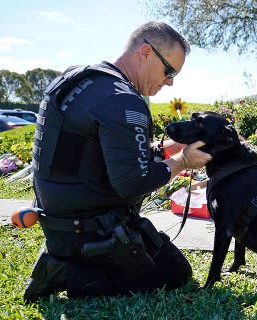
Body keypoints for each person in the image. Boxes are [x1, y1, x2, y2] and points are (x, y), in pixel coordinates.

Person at [24, 21, 211, 302]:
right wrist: (183, 161)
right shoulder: (124, 100)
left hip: (60, 221)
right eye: (169, 70)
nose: (170, 81)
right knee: (176, 272)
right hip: (91, 228)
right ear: (146, 52)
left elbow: (97, 155)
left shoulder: (82, 80)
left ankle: (67, 259)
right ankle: (66, 272)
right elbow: (133, 183)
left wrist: (168, 149)